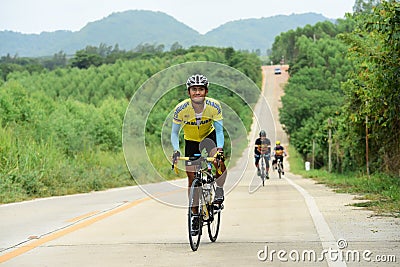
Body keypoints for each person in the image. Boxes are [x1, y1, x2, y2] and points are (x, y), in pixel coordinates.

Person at [171, 74, 226, 235]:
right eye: (194, 89)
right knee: (191, 178)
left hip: (209, 137)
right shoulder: (181, 109)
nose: (197, 92)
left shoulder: (214, 106)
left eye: (200, 89)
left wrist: (220, 149)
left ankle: (220, 190)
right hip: (191, 141)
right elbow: (174, 134)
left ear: (206, 91)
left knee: (218, 160)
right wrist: (176, 150)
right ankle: (195, 215)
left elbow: (220, 130)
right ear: (189, 92)